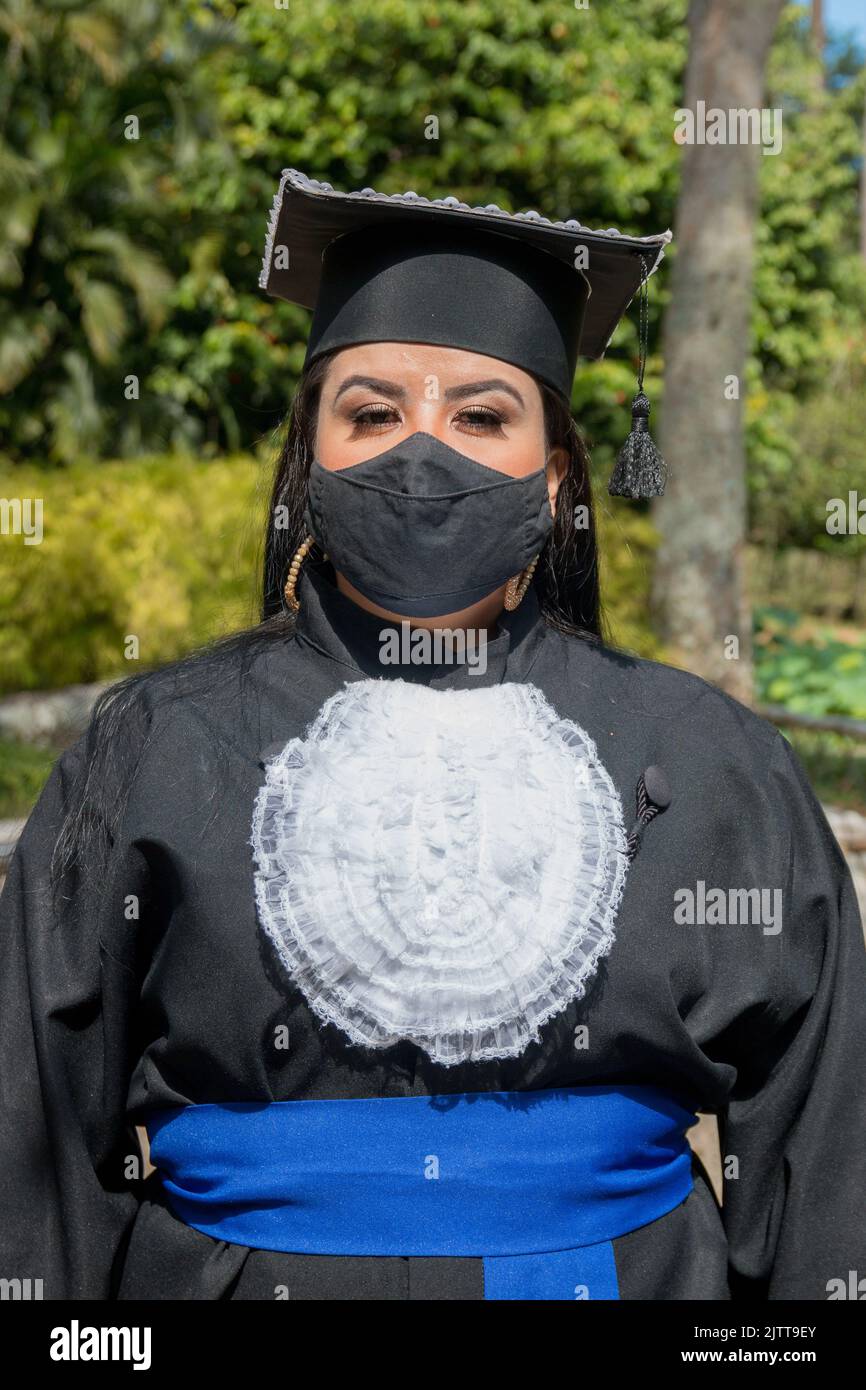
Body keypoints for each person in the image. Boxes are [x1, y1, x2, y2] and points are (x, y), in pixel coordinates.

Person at [1, 168, 864, 1302]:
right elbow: (36, 1161)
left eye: (479, 416)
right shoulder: (153, 751)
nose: (423, 453)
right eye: (370, 413)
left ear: (556, 481)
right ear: (306, 464)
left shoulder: (711, 759)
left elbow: (820, 1170)